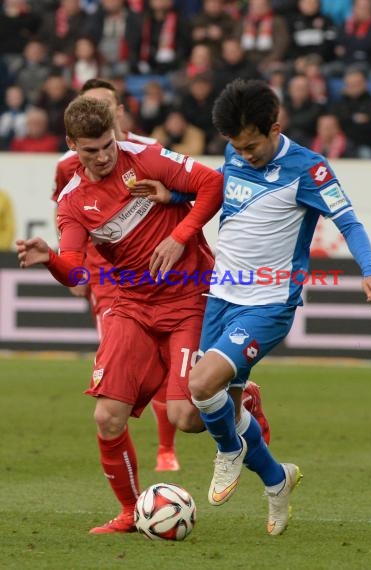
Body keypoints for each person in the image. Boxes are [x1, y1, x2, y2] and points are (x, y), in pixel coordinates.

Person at [17, 95, 270, 535]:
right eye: (89, 150)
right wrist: (51, 260)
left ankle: (241, 395)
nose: (101, 157)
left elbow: (212, 183)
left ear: (115, 135)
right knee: (106, 416)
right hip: (130, 307)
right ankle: (130, 511)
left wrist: (179, 235)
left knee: (186, 418)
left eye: (107, 146)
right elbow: (76, 268)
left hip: (187, 299)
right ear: (72, 145)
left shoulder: (148, 158)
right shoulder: (74, 201)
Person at [180, 79, 371, 537]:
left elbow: (348, 220)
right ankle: (278, 480)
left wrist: (370, 270)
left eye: (253, 145)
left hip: (269, 304)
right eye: (237, 147)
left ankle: (230, 452)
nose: (246, 154)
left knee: (201, 387)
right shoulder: (235, 154)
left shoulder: (310, 170)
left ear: (275, 127)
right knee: (210, 412)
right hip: (222, 295)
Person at [51, 78, 182, 473]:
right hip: (107, 278)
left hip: (161, 273)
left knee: (164, 359)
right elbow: (70, 214)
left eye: (104, 107)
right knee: (123, 365)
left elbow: (185, 194)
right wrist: (76, 269)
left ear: (118, 113)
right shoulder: (66, 168)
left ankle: (166, 446)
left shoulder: (148, 151)